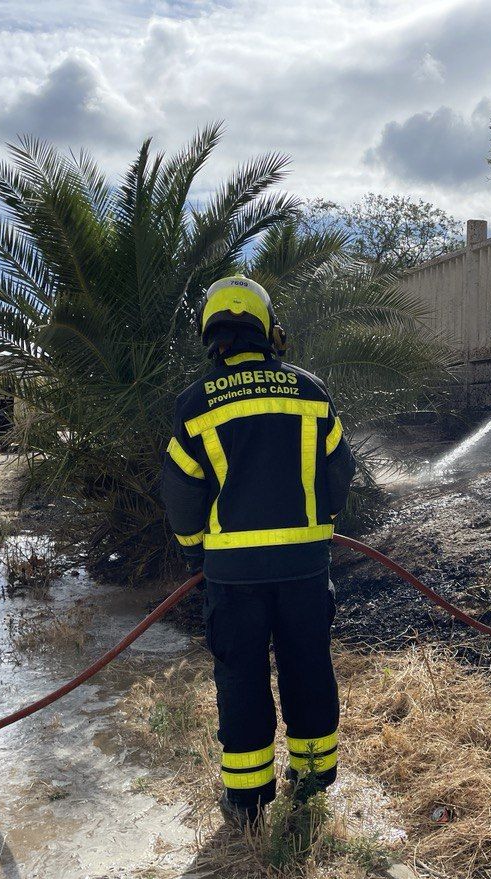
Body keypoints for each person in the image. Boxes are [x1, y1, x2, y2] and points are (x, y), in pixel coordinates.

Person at [160, 274, 357, 827]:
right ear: (269, 330)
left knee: (241, 677)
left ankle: (247, 802)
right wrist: (322, 526)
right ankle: (313, 780)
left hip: (233, 575)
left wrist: (195, 553)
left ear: (213, 335)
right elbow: (340, 469)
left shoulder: (197, 403)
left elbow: (180, 491)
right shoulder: (310, 392)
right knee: (307, 666)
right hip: (304, 568)